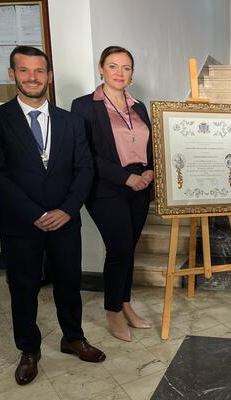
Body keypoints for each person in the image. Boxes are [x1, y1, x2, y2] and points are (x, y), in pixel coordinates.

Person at [0, 46, 106, 386]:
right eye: (24, 70)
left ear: (49, 76)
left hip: (65, 221)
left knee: (69, 283)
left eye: (39, 71)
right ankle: (29, 349)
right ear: (12, 74)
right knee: (23, 288)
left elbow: (85, 168)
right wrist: (34, 213)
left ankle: (73, 338)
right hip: (20, 223)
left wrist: (67, 209)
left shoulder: (72, 121)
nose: (32, 77)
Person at [71, 46, 153, 342]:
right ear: (101, 69)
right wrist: (125, 177)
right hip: (105, 187)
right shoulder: (84, 106)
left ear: (132, 73)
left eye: (126, 67)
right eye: (113, 66)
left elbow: (150, 144)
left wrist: (150, 171)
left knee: (128, 249)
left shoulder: (139, 106)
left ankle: (125, 303)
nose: (120, 73)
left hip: (140, 186)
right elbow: (85, 153)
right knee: (118, 249)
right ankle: (113, 310)